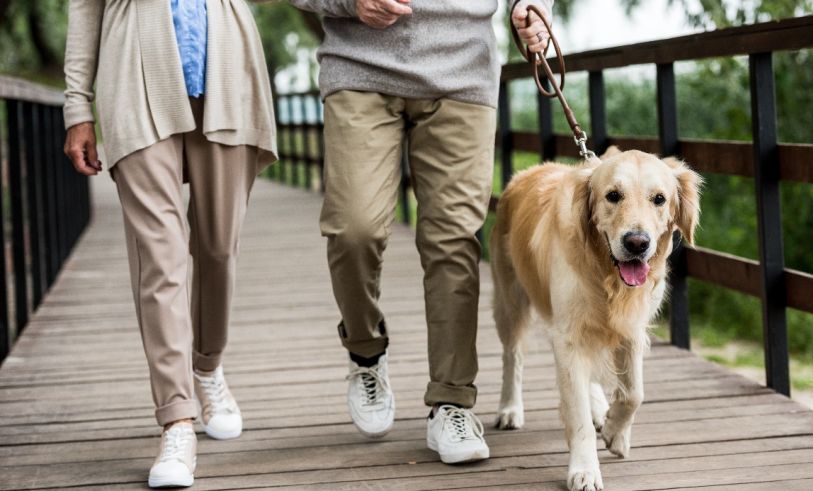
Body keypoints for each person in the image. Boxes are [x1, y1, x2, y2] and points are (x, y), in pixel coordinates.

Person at [290, 0, 553, 464]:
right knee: (354, 229)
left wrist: (532, 6)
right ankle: (365, 350)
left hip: (463, 73)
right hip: (359, 69)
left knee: (453, 240)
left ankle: (452, 400)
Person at [63, 0, 277, 487]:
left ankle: (208, 366)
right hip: (134, 72)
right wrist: (77, 106)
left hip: (226, 70)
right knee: (161, 258)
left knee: (219, 249)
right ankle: (177, 420)